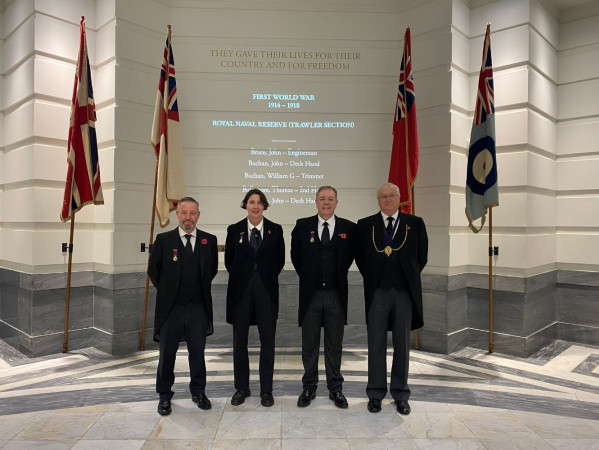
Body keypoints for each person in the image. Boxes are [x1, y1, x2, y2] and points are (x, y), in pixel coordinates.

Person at [355, 183, 428, 415]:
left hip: (404, 292)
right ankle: (375, 393)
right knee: (375, 344)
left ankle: (400, 394)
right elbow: (360, 258)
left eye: (391, 196)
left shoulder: (415, 224)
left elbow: (421, 257)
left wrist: (406, 275)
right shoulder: (365, 225)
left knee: (402, 344)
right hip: (377, 292)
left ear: (399, 198)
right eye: (383, 196)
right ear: (378, 200)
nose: (387, 200)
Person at [148, 196, 218, 416]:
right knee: (167, 354)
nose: (188, 217)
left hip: (198, 307)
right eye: (184, 213)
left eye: (193, 213)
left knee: (197, 353)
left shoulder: (209, 241)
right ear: (177, 214)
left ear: (198, 215)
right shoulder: (164, 240)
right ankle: (165, 395)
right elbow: (154, 271)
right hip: (172, 309)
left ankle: (198, 391)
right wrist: (170, 293)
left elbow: (211, 271)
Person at [291, 186, 356, 408]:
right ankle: (308, 387)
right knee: (309, 345)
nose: (326, 202)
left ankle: (335, 389)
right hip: (311, 296)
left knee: (334, 346)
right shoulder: (302, 226)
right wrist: (310, 278)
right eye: (322, 199)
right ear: (316, 202)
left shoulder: (349, 228)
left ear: (337, 202)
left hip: (336, 296)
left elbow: (349, 258)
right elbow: (296, 257)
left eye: (330, 199)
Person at [225, 188, 285, 407]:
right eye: (251, 201)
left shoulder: (276, 230)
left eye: (259, 202)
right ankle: (242, 388)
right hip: (241, 294)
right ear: (245, 205)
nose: (256, 206)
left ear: (265, 205)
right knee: (239, 342)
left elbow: (279, 261)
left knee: (267, 342)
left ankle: (266, 391)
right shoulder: (234, 230)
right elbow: (229, 262)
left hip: (266, 293)